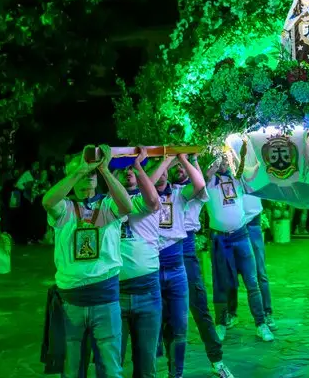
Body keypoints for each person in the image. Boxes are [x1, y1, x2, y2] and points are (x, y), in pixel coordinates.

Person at [40, 145, 135, 378]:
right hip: (71, 301)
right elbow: (47, 202)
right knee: (72, 370)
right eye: (82, 175)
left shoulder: (106, 205)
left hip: (105, 297)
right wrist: (79, 170)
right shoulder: (65, 208)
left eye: (90, 175)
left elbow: (128, 206)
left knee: (111, 369)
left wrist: (104, 169)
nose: (86, 179)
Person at [148, 153, 210, 378]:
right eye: (159, 171)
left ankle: (177, 374)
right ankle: (153, 371)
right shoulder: (144, 199)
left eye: (166, 171)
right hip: (153, 265)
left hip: (176, 264)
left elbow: (200, 184)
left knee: (180, 325)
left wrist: (183, 158)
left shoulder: (178, 194)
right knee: (155, 325)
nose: (163, 175)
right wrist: (165, 161)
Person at [204, 155, 275, 343]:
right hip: (220, 238)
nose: (224, 163)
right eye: (220, 160)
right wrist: (214, 165)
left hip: (241, 235)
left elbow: (254, 173)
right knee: (221, 283)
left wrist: (236, 156)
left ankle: (261, 324)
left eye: (226, 160)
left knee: (252, 282)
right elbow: (201, 180)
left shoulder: (237, 178)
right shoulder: (209, 180)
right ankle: (221, 323)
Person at [176, 162, 236, 378]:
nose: (179, 169)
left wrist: (191, 160)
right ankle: (175, 371)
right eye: (175, 165)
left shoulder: (196, 190)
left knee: (199, 308)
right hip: (162, 250)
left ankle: (217, 361)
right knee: (168, 316)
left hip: (186, 247)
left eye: (183, 167)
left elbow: (203, 178)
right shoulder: (161, 191)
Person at [109, 148, 162, 378]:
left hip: (147, 290)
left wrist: (138, 165)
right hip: (114, 292)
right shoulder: (106, 206)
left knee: (146, 365)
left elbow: (153, 200)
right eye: (122, 171)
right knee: (112, 362)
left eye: (131, 170)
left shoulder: (142, 201)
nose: (128, 173)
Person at [226, 193, 275, 331]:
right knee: (231, 272)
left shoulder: (252, 171)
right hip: (233, 225)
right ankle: (231, 313)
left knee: (260, 272)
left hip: (252, 221)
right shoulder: (226, 174)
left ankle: (267, 313)